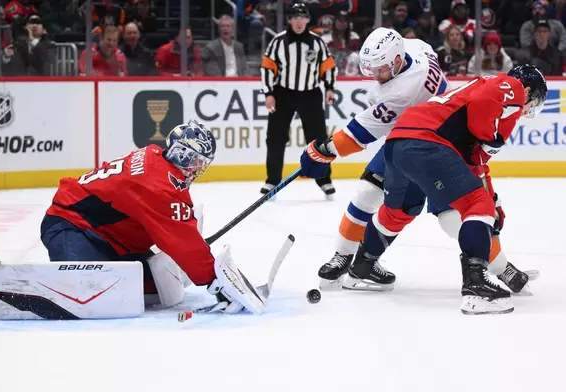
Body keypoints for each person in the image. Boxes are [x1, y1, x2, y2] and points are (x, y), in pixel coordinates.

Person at [323, 65, 546, 315]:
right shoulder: (511, 87)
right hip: (429, 142)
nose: (528, 108)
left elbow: (477, 164)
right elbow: (482, 114)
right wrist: (487, 140)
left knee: (399, 211)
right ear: (527, 89)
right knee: (477, 205)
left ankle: (361, 267)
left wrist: (493, 197)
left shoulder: (478, 89)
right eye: (533, 100)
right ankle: (476, 287)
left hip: (400, 141)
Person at [40, 119, 264, 315]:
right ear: (181, 153)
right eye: (197, 161)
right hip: (70, 225)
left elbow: (176, 229)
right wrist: (215, 283)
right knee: (84, 293)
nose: (198, 170)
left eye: (203, 164)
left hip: (112, 239)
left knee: (155, 289)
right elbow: (181, 239)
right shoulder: (158, 185)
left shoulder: (156, 159)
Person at [298, 27, 448, 286]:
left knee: (405, 209)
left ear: (398, 61)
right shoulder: (417, 46)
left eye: (380, 69)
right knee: (368, 191)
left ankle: (366, 261)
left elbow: (360, 134)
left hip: (435, 145)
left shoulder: (402, 90)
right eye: (371, 69)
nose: (375, 76)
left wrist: (323, 151)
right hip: (408, 134)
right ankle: (344, 256)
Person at [260, 2, 337, 199]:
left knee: (319, 139)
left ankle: (324, 180)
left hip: (310, 94)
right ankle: (272, 180)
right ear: (289, 20)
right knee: (275, 138)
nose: (299, 21)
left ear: (308, 20)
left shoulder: (317, 42)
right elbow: (267, 67)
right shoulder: (278, 42)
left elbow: (328, 66)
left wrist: (329, 88)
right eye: (295, 17)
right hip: (283, 93)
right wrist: (268, 93)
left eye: (302, 17)